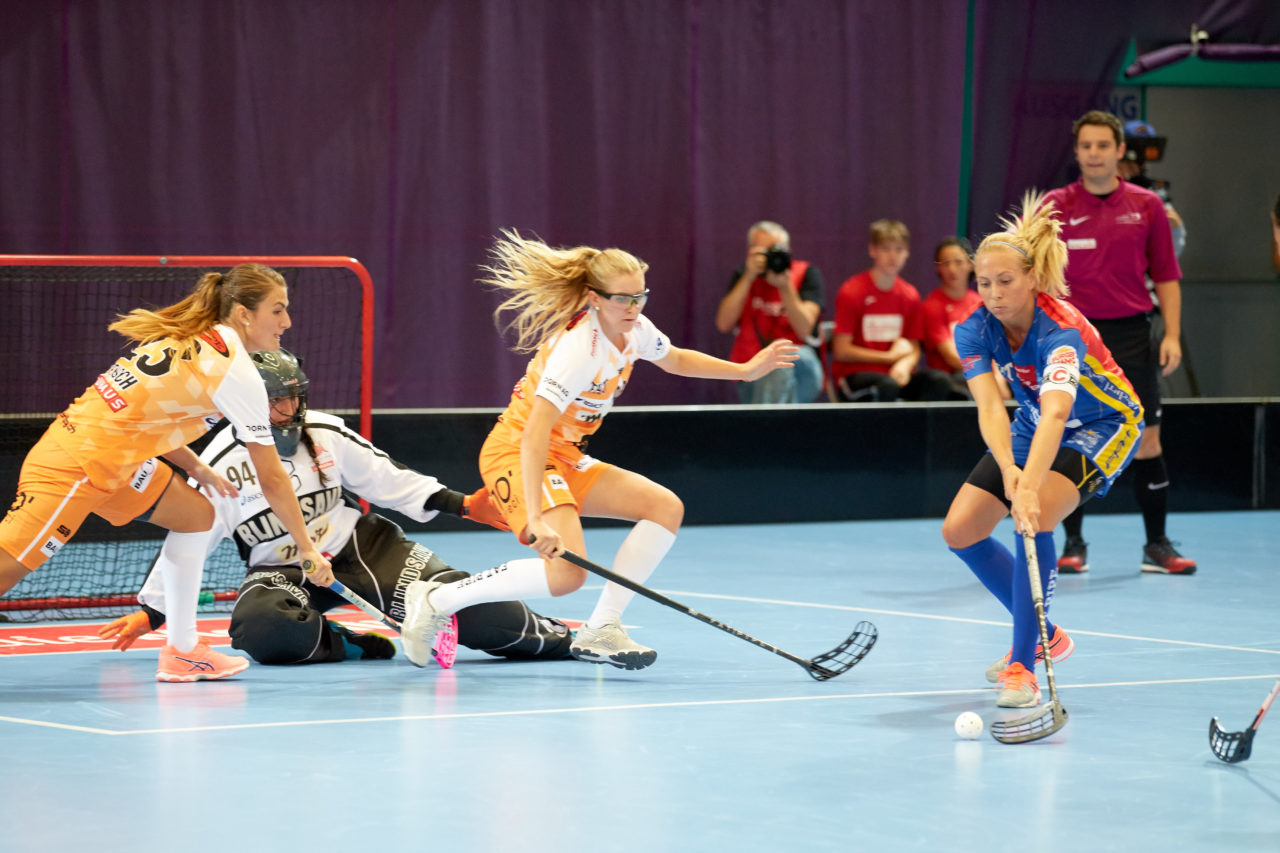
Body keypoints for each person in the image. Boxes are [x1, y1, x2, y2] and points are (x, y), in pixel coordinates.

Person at [398, 231, 798, 671]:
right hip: (517, 451)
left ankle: (602, 627)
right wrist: (534, 518)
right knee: (568, 574)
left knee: (664, 507)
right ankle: (438, 597)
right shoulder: (579, 350)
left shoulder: (635, 330)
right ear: (593, 298)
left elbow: (677, 358)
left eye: (640, 296)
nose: (634, 308)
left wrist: (744, 371)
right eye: (621, 299)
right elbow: (534, 433)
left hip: (566, 454)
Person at [98, 349, 573, 666]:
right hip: (281, 571)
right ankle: (347, 643)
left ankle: (564, 636)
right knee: (264, 632)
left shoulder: (324, 431)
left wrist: (464, 505)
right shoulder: (219, 463)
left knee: (479, 615)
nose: (292, 409)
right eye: (277, 401)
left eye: (295, 396)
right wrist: (152, 613)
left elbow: (387, 479)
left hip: (362, 549)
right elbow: (190, 541)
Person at [0, 263, 332, 682]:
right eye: (277, 310)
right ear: (245, 314)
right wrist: (306, 547)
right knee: (7, 567)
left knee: (196, 516)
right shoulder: (235, 369)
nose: (287, 322)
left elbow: (147, 415)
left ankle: (183, 649)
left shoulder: (186, 335)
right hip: (77, 467)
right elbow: (271, 477)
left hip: (115, 462)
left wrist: (198, 468)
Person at [940, 191, 1143, 707]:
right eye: (983, 283)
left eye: (1005, 281)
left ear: (1031, 278)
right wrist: (1009, 467)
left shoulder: (1061, 331)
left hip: (1102, 422)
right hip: (1034, 420)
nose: (993, 294)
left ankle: (1022, 665)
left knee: (1037, 516)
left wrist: (1027, 488)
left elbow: (1059, 412)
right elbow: (990, 408)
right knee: (960, 529)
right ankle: (1046, 633)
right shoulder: (974, 329)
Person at [1046, 110, 1195, 575]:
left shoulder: (1147, 205)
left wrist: (1170, 333)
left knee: (1148, 438)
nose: (1094, 154)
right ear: (1076, 152)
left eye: (1103, 145)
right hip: (1071, 335)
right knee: (1070, 435)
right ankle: (1072, 544)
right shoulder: (1053, 205)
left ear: (1118, 151)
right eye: (1086, 146)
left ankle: (1156, 546)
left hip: (1132, 336)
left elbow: (1167, 275)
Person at [831, 219, 951, 402]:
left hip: (897, 373)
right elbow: (841, 350)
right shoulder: (852, 291)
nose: (893, 256)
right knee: (887, 386)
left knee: (938, 381)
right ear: (873, 251)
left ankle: (919, 431)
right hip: (857, 373)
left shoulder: (909, 295)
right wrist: (887, 358)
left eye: (899, 249)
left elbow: (914, 346)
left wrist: (904, 364)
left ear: (907, 253)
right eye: (886, 249)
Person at [714, 220, 825, 403]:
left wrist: (785, 286)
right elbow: (723, 324)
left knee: (781, 355)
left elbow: (805, 329)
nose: (771, 258)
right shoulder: (745, 275)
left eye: (777, 250)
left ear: (788, 249)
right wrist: (748, 277)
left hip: (801, 368)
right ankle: (776, 425)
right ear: (750, 252)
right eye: (764, 252)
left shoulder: (806, 274)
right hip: (752, 369)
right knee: (774, 367)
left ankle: (765, 425)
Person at [921, 237, 984, 400]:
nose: (952, 269)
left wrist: (997, 377)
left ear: (970, 264)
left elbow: (992, 346)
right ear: (937, 268)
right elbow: (951, 356)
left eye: (958, 262)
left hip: (982, 371)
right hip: (952, 378)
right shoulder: (932, 305)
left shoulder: (979, 303)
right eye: (945, 263)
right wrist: (987, 377)